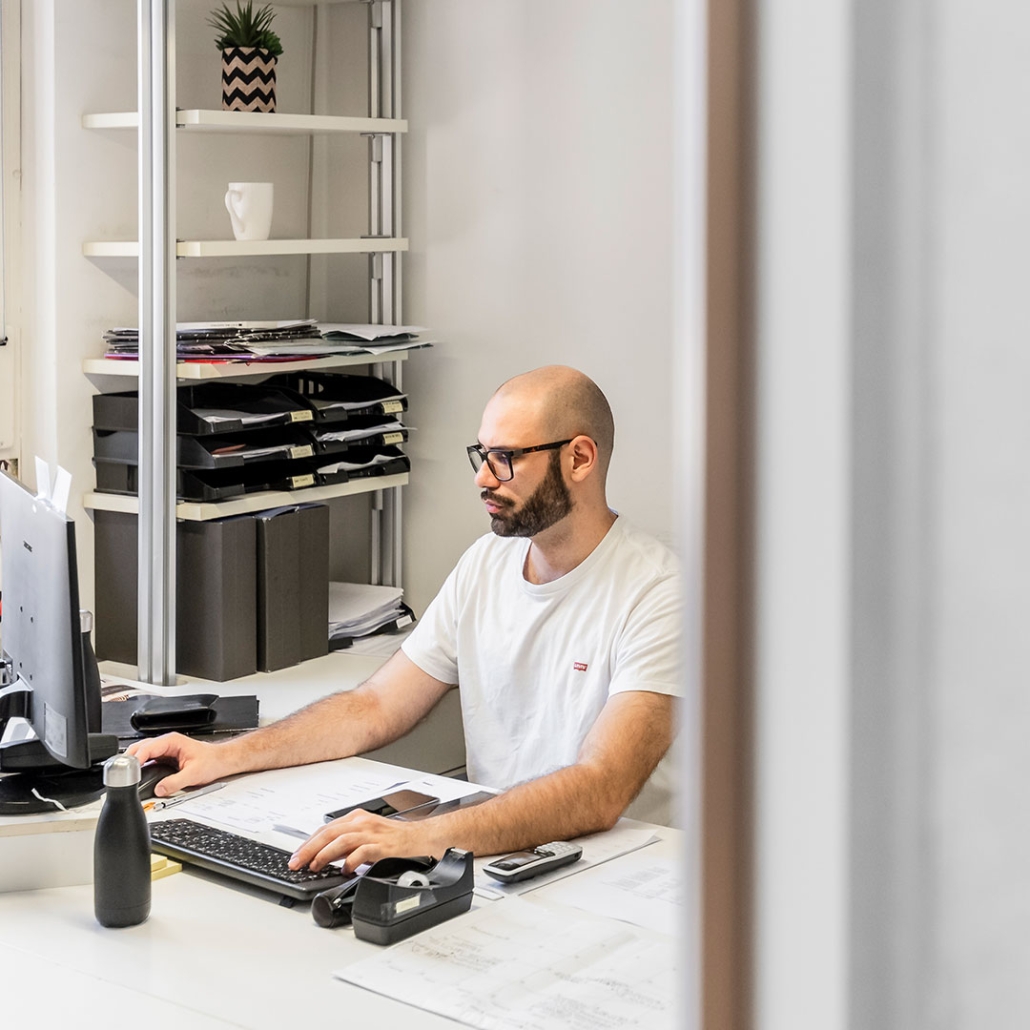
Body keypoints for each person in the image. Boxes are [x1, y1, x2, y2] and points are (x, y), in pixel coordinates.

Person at [129, 366, 681, 874]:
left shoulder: (661, 592)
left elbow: (600, 789)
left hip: (621, 875)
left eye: (505, 457)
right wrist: (225, 756)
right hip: (501, 858)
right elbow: (375, 705)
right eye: (481, 454)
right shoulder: (486, 563)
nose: (482, 478)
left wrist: (421, 836)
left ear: (579, 459)